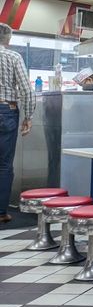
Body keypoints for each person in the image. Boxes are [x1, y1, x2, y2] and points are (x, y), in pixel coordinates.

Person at [0, 23, 35, 224]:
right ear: (8, 39)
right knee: (4, 165)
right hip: (5, 111)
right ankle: (1, 212)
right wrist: (28, 117)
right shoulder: (12, 57)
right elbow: (26, 90)